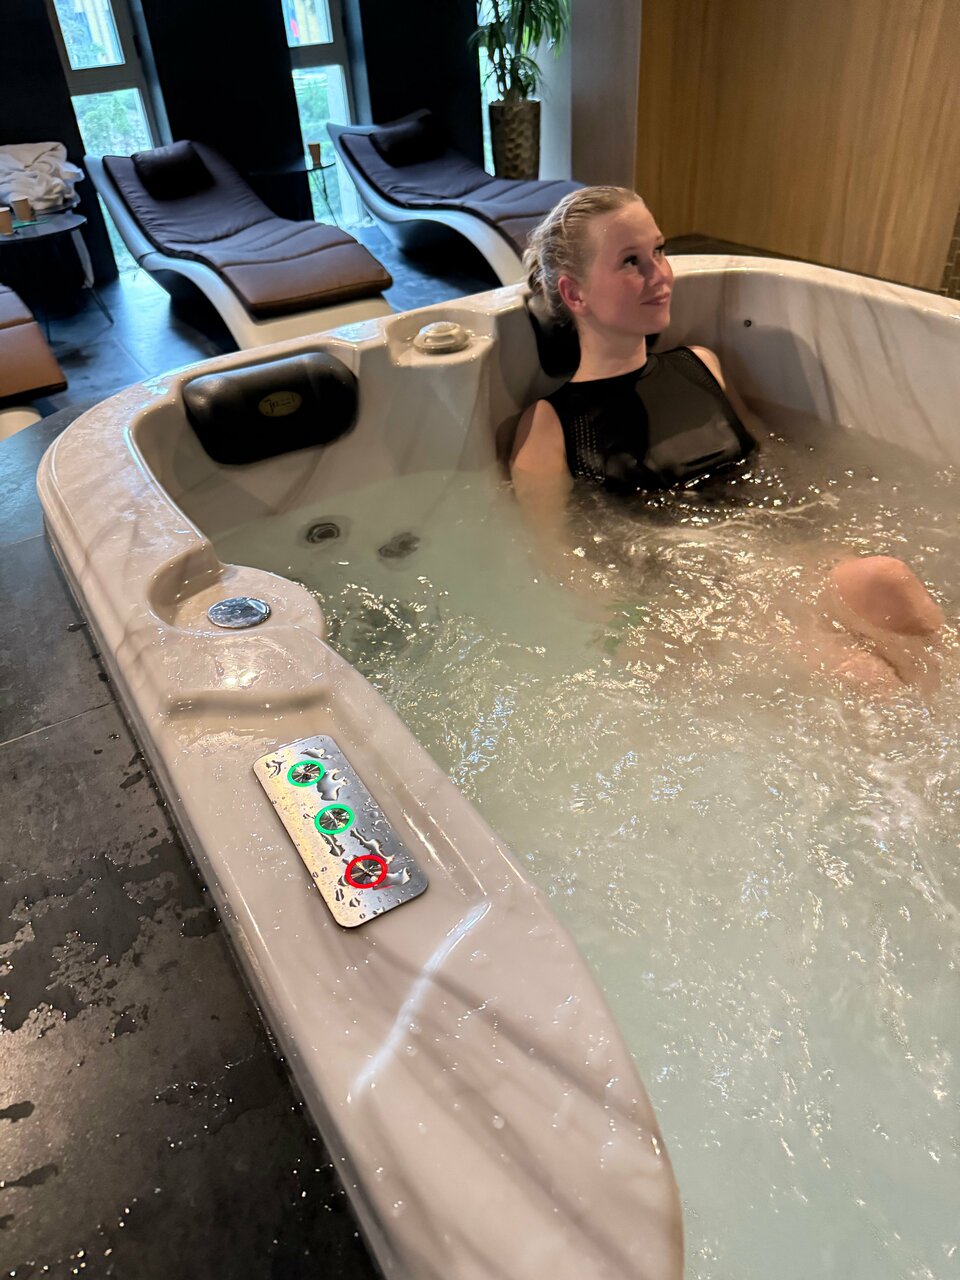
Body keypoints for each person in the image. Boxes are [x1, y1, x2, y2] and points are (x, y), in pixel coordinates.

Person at [509, 186, 946, 694]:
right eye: (631, 261)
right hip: (702, 608)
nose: (660, 274)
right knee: (865, 678)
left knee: (888, 578)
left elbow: (772, 464)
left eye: (659, 251)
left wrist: (824, 541)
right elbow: (556, 557)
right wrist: (633, 628)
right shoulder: (550, 425)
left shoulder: (702, 366)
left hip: (779, 563)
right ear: (575, 294)